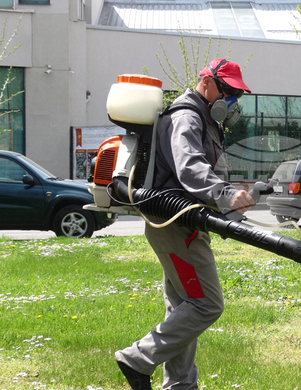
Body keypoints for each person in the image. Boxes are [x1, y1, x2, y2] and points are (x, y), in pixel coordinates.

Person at [115, 59, 255, 390]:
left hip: (180, 224)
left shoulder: (204, 118)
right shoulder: (187, 117)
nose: (232, 100)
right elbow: (190, 167)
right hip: (178, 226)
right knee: (207, 304)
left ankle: (180, 385)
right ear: (207, 82)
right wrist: (225, 194)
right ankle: (137, 359)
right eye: (229, 91)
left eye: (237, 94)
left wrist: (230, 199)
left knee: (183, 305)